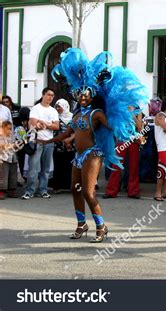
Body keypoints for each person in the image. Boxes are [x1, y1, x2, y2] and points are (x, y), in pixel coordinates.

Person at [42, 48, 147, 243]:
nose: (82, 96)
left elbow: (112, 127)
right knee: (74, 188)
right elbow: (68, 133)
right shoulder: (77, 114)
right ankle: (82, 224)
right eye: (79, 93)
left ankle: (101, 226)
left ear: (92, 94)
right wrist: (47, 140)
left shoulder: (97, 113)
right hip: (79, 156)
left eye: (86, 93)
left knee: (88, 192)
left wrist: (134, 134)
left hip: (93, 153)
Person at [22, 88, 59, 200]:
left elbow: (56, 126)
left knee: (46, 169)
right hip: (37, 142)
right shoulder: (36, 108)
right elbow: (33, 124)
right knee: (33, 168)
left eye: (52, 95)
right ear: (43, 95)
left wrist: (43, 123)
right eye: (48, 94)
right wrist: (49, 124)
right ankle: (29, 191)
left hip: (49, 142)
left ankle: (43, 190)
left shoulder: (53, 111)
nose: (50, 97)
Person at [103, 108, 143, 199]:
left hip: (134, 141)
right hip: (121, 140)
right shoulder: (120, 108)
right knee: (116, 166)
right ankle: (111, 191)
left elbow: (139, 126)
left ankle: (133, 191)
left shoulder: (138, 110)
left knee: (134, 167)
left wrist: (133, 115)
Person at [49, 99, 75, 193]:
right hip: (59, 144)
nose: (57, 108)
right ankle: (58, 186)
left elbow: (77, 130)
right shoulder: (55, 118)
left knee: (70, 165)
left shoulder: (72, 117)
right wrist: (64, 140)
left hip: (71, 145)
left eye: (59, 106)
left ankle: (69, 185)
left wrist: (70, 140)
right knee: (59, 165)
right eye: (56, 106)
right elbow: (54, 131)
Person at [0, 121, 18, 199]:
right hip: (4, 159)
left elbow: (16, 146)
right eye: (8, 129)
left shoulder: (12, 137)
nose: (10, 131)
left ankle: (12, 190)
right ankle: (1, 191)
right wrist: (9, 146)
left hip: (13, 158)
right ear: (3, 128)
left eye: (11, 129)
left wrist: (17, 145)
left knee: (13, 174)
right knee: (3, 175)